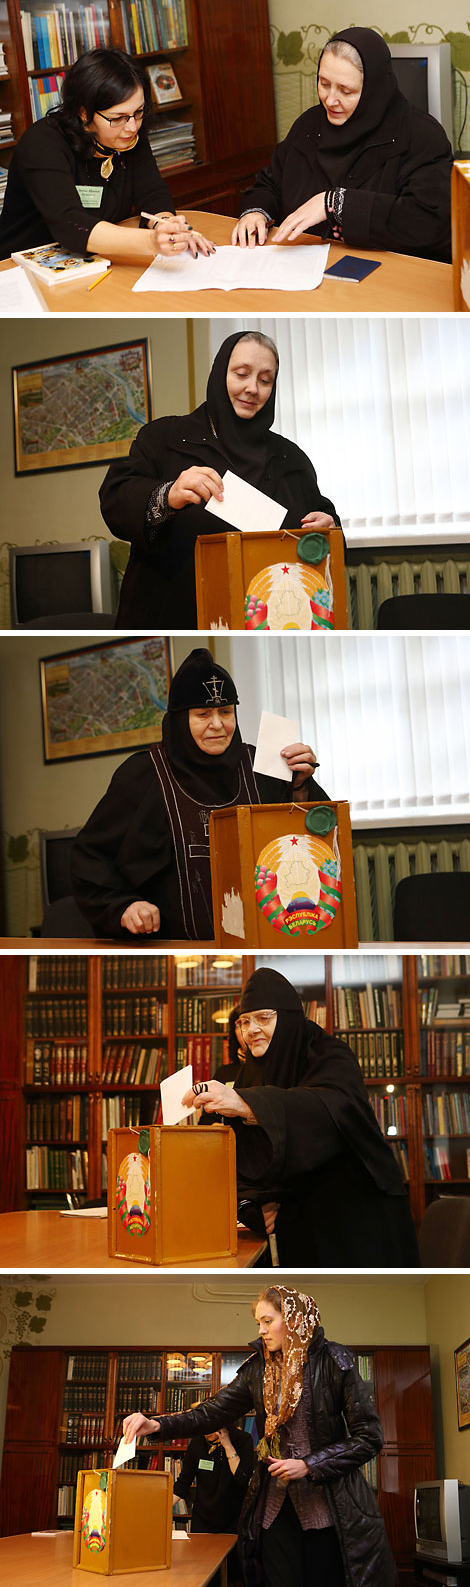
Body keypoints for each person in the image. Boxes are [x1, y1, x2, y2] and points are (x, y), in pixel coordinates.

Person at [122, 1284, 398, 1587]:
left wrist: (309, 1465)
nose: (262, 1331)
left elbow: (369, 1437)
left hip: (329, 1509)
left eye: (268, 1321)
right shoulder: (257, 1369)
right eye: (258, 1323)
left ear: (293, 1319)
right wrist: (157, 1424)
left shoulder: (335, 1361)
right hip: (274, 1507)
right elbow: (211, 1412)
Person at [71, 649, 327, 941]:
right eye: (203, 714)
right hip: (171, 946)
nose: (217, 724)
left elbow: (314, 845)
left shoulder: (264, 768)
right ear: (181, 719)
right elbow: (90, 857)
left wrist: (301, 785)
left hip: (266, 939)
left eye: (226, 711)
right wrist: (123, 906)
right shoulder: (143, 775)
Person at [99, 330, 341, 630]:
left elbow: (326, 528)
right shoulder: (165, 438)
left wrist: (328, 528)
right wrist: (167, 495)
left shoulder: (291, 458)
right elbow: (114, 498)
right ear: (219, 374)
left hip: (263, 620)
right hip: (172, 613)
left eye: (265, 380)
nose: (252, 388)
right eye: (241, 374)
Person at [183, 966, 420, 1266]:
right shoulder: (254, 1069)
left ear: (289, 1017)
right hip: (299, 1224)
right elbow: (246, 1153)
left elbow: (331, 1111)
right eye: (244, 1022)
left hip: (356, 1222)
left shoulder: (330, 1053)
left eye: (263, 1017)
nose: (251, 1029)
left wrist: (248, 1104)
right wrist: (252, 1204)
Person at [233, 28, 452, 262]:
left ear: (373, 90)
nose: (330, 100)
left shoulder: (421, 136)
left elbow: (429, 222)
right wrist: (256, 211)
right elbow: (271, 182)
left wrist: (335, 203)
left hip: (387, 277)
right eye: (324, 83)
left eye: (346, 91)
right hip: (302, 268)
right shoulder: (309, 124)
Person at [0, 48, 215, 262]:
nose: (131, 126)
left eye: (138, 112)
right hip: (24, 265)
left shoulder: (127, 133)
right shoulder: (42, 143)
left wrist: (168, 227)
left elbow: (152, 194)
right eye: (118, 117)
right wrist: (150, 241)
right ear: (84, 112)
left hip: (92, 260)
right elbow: (71, 224)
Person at [173, 1421, 254, 1580]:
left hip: (233, 1522)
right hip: (203, 1521)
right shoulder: (197, 1443)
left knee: (231, 1575)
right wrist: (159, 1509)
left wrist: (227, 1445)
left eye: (209, 1427)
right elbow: (182, 1484)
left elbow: (243, 1480)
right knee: (203, 1574)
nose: (205, 1432)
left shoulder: (242, 1439)